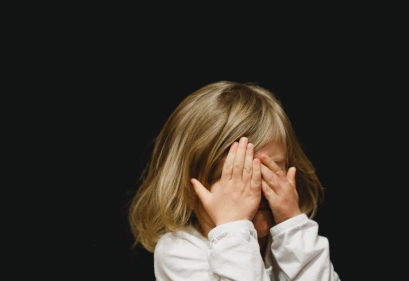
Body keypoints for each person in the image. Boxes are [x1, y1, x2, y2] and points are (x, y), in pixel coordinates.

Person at [128, 81, 341, 280]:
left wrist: (294, 228)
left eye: (270, 170)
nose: (258, 187)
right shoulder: (179, 251)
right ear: (191, 185)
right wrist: (234, 229)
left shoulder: (293, 239)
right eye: (240, 175)